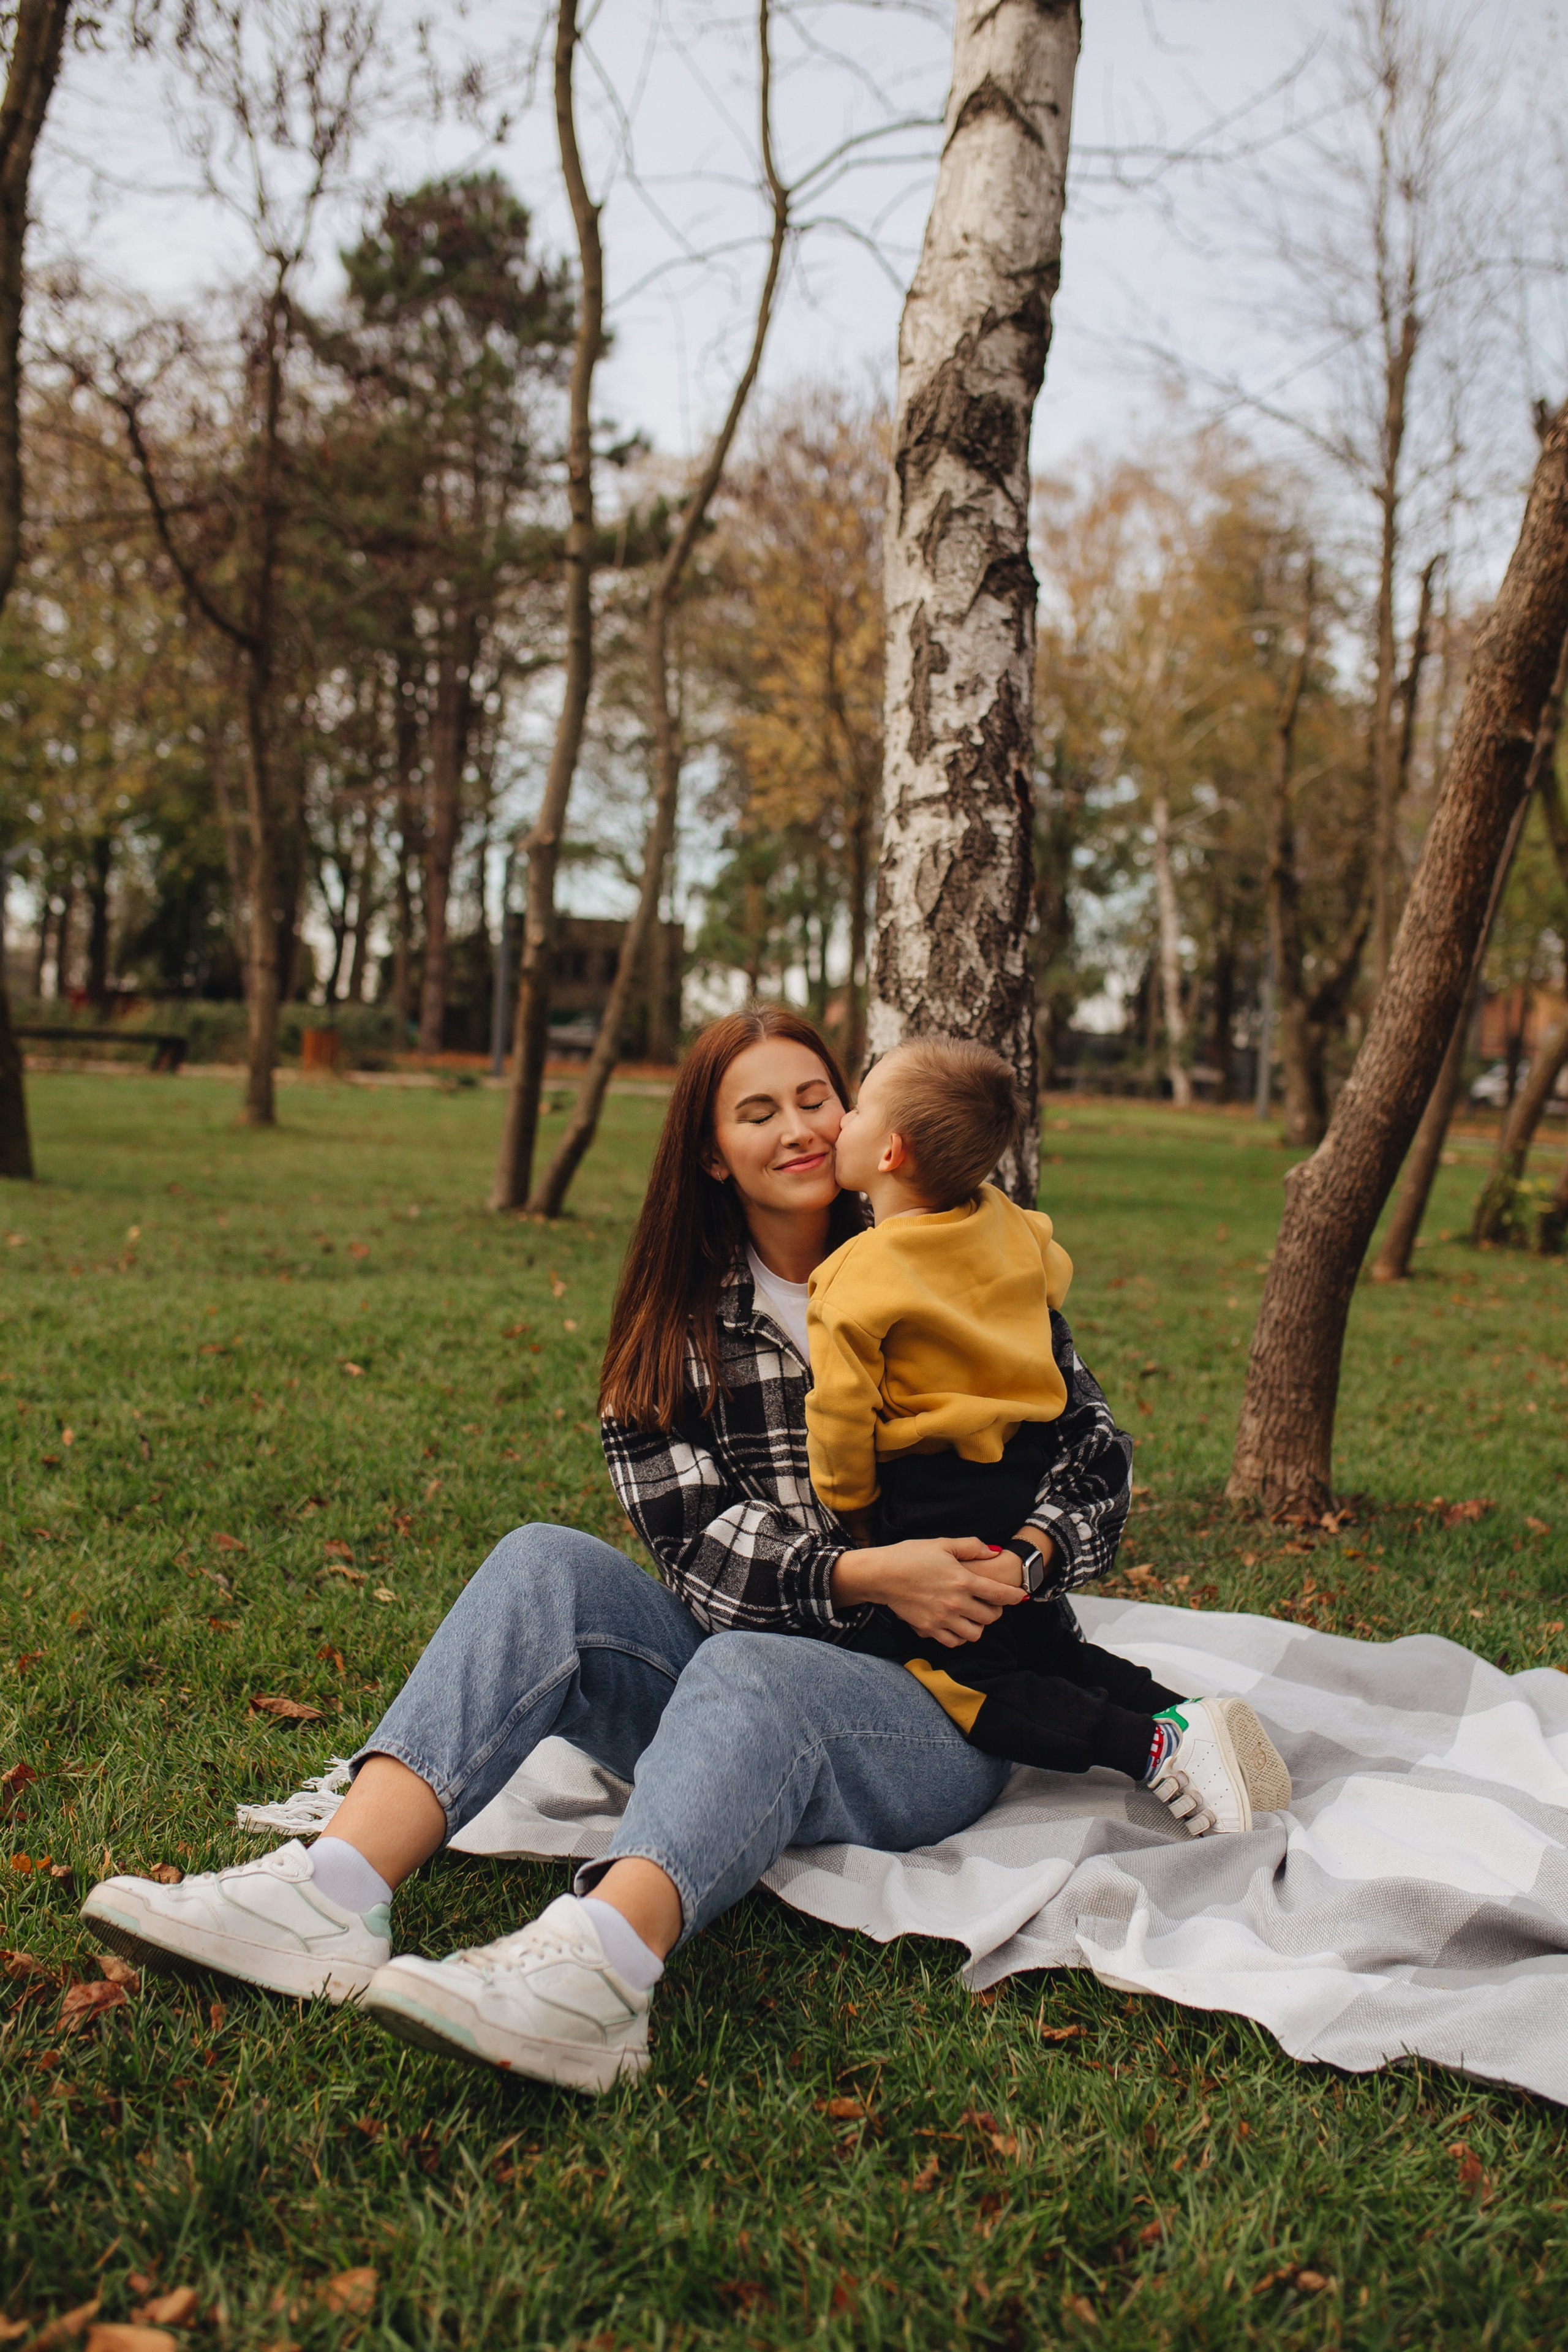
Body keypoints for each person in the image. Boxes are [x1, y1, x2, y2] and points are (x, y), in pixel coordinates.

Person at [74, 1007, 1256, 2100]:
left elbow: (1094, 1445)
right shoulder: (674, 1335)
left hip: (942, 1712)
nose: (798, 1127)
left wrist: (1036, 1553)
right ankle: (327, 1897)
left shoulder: (952, 1254)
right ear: (710, 1155)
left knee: (750, 1669)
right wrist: (866, 1573)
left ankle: (594, 1971)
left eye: (815, 1096)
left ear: (865, 1124)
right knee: (548, 1561)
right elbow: (697, 1561)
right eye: (758, 1112)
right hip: (762, 1657)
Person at [807, 1035, 1292, 1830]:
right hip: (1021, 1469)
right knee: (1041, 1640)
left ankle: (1149, 1747)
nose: (842, 1121)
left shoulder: (855, 1277)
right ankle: (1193, 1715)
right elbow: (1047, 1274)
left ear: (889, 1151)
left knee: (962, 1672)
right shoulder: (1006, 1223)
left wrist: (853, 1513)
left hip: (932, 1496)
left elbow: (839, 1419)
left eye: (855, 1107)